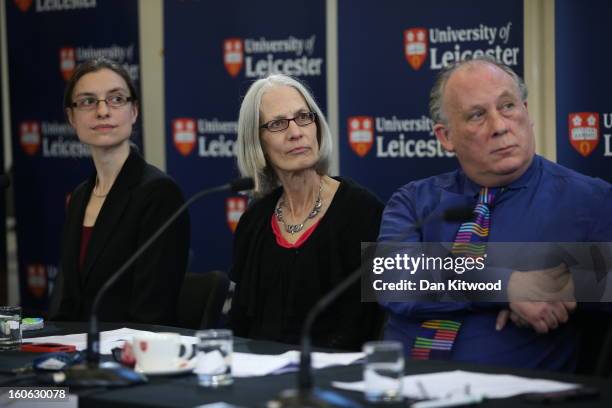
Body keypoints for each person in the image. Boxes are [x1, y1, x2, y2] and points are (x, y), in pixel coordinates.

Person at [378, 56, 612, 371]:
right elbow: (394, 278)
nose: (500, 127)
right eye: (477, 115)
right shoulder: (415, 201)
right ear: (446, 136)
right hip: (399, 384)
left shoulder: (588, 200)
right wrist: (507, 286)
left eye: (507, 107)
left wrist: (563, 288)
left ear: (526, 113)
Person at [230, 74, 384, 350]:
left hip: (341, 377)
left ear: (317, 127)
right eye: (278, 124)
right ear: (258, 142)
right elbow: (240, 328)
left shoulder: (361, 211)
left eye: (303, 117)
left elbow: (377, 322)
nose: (296, 132)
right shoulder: (253, 223)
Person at [50, 58, 190, 325]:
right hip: (76, 354)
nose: (103, 111)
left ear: (134, 111)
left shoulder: (159, 194)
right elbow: (68, 303)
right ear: (72, 117)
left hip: (127, 357)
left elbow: (152, 314)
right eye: (88, 101)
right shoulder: (80, 196)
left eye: (116, 99)